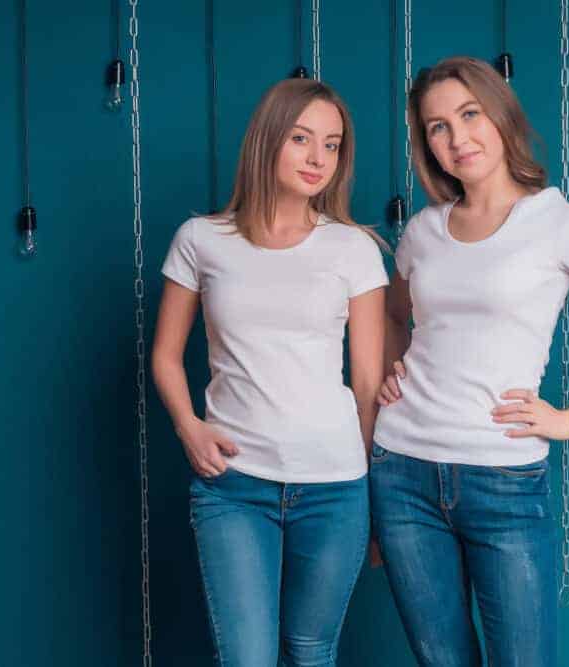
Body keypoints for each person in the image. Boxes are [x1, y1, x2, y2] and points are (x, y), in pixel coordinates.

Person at [371, 56, 569, 666]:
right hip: (402, 471)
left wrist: (568, 420)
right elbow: (391, 315)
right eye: (437, 127)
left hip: (503, 480)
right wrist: (392, 368)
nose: (457, 138)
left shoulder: (559, 224)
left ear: (501, 117)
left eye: (469, 114)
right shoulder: (422, 231)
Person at [151, 78, 387, 667]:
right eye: (301, 138)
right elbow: (164, 354)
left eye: (332, 145)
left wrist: (369, 487)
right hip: (234, 487)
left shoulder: (353, 249)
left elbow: (365, 382)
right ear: (266, 140)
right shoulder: (201, 240)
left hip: (336, 488)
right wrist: (188, 426)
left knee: (311, 651)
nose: (317, 159)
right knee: (248, 659)